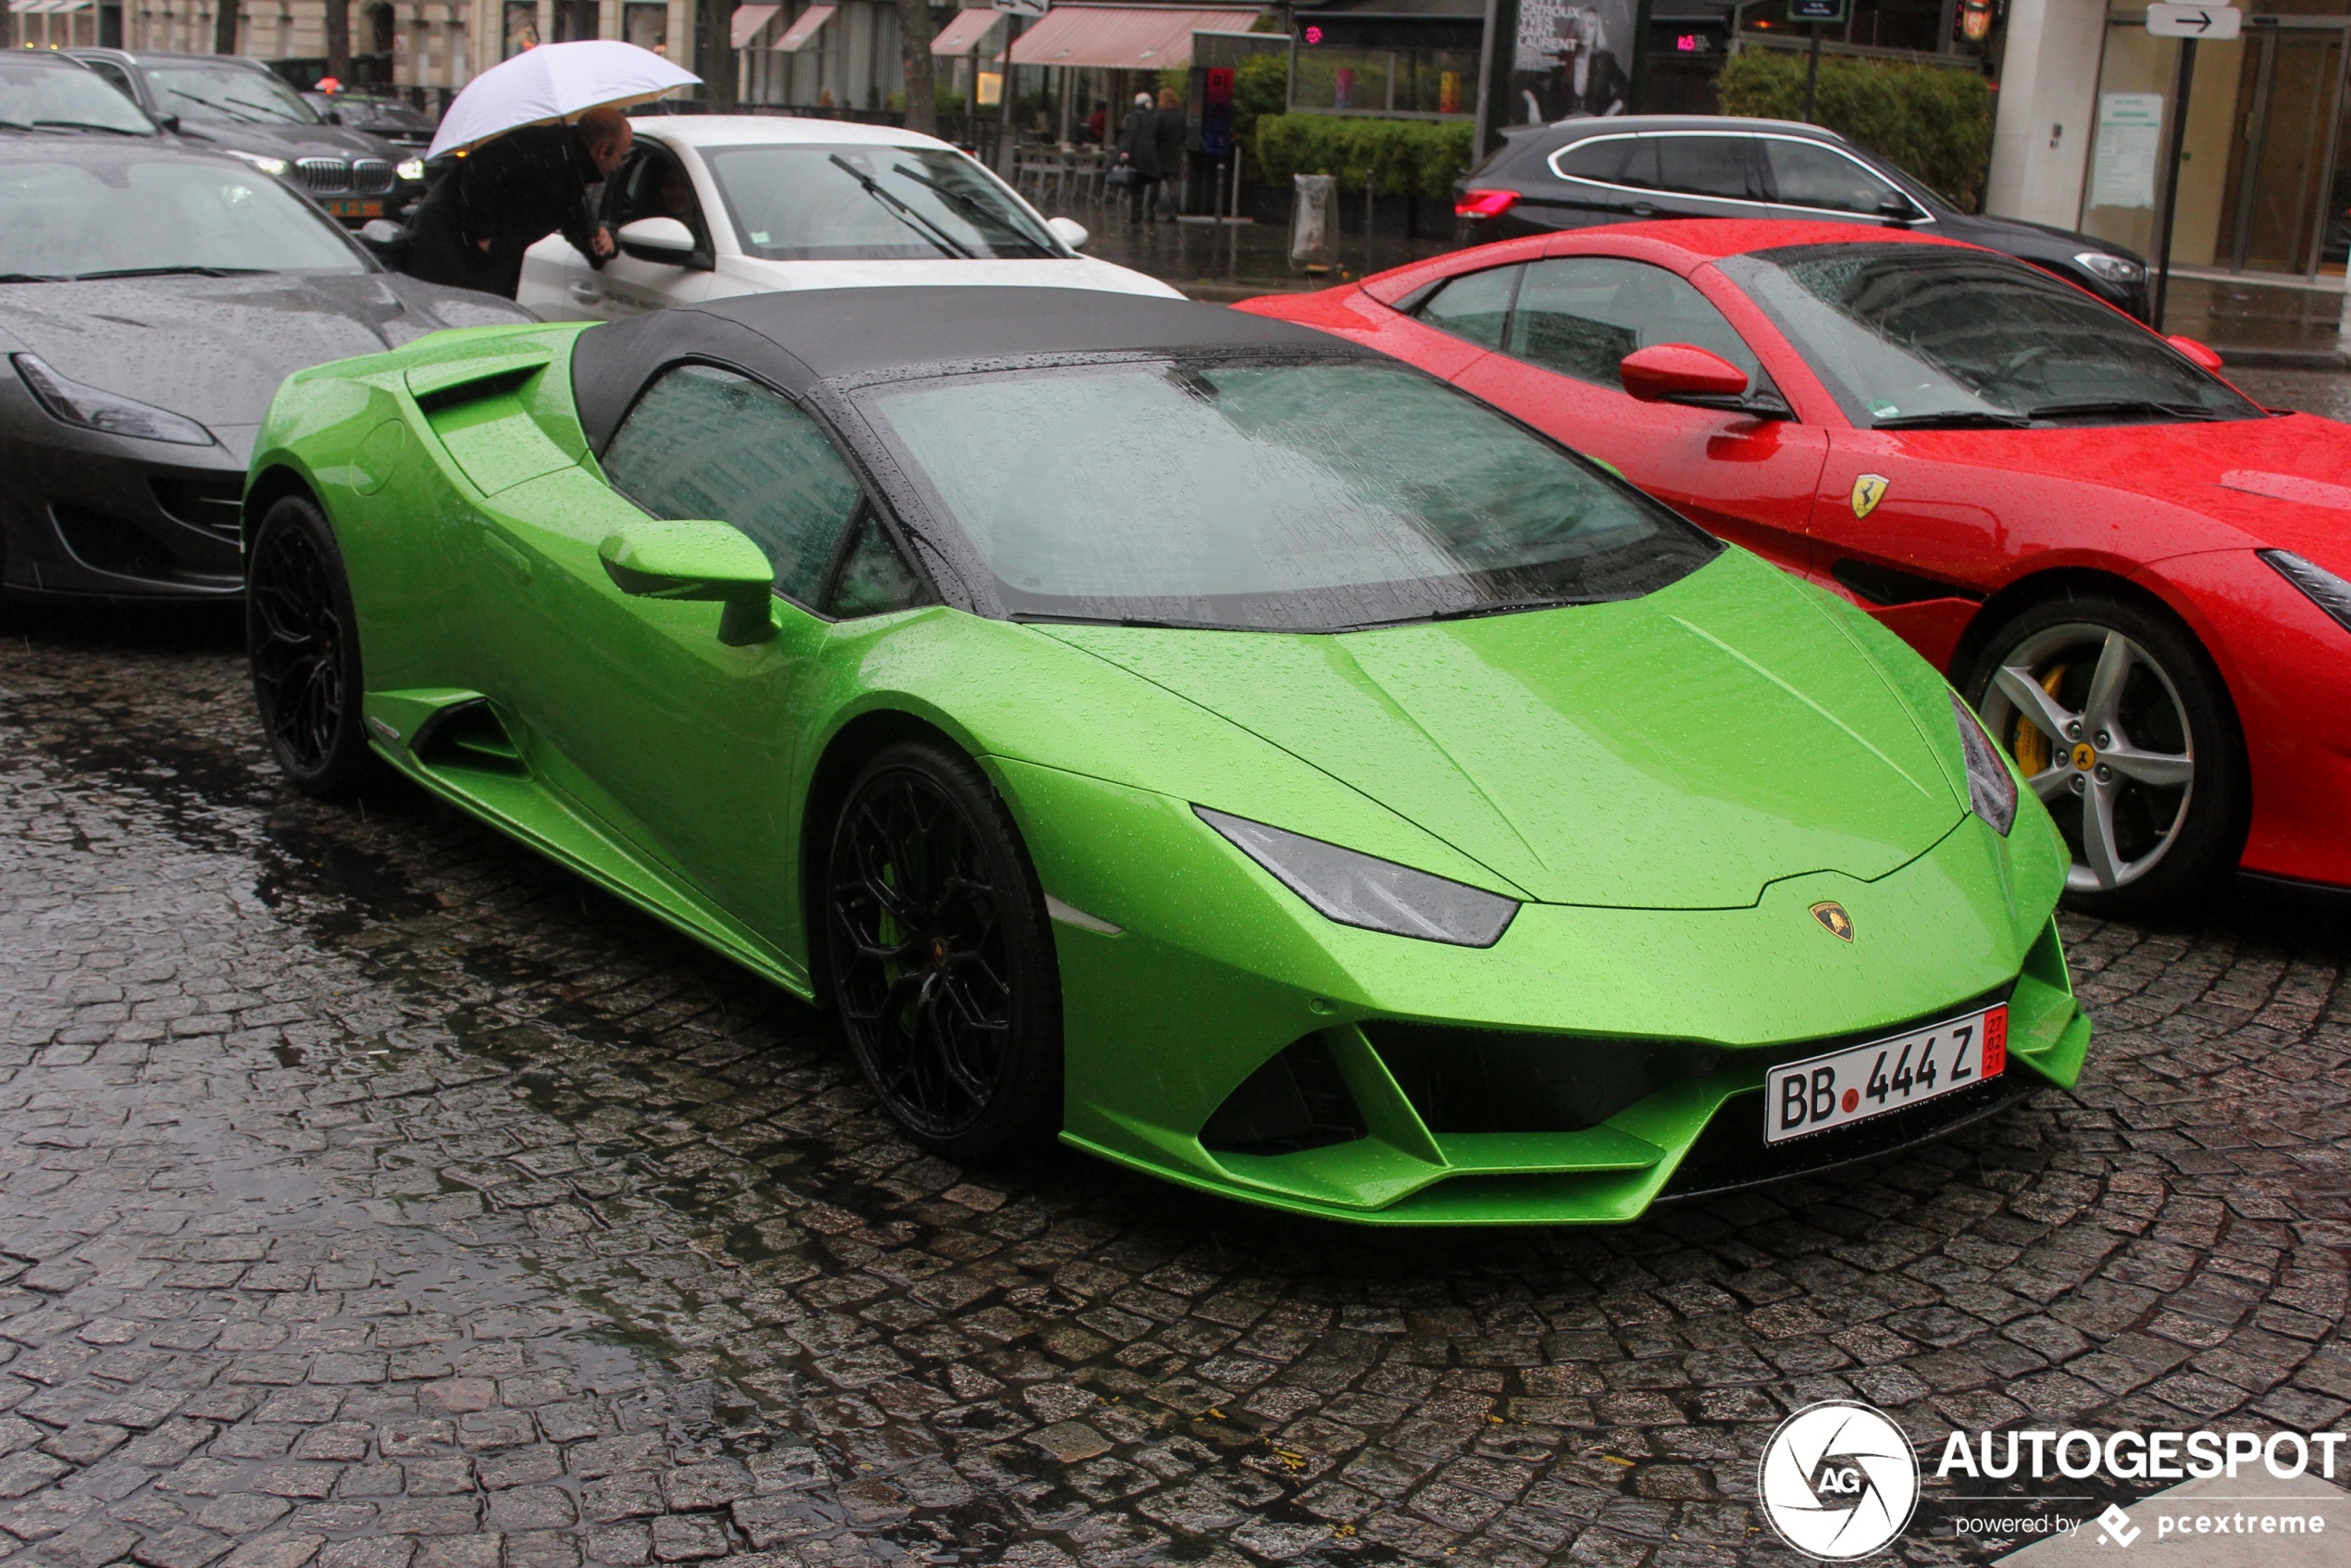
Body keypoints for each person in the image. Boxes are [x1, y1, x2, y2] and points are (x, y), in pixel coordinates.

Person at [403, 106, 632, 299]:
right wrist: (481, 234)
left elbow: (579, 227)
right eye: (622, 156)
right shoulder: (544, 145)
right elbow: (480, 166)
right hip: (446, 245)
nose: (621, 165)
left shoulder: (573, 174)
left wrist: (603, 245)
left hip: (486, 265)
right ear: (604, 150)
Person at [1113, 92, 1164, 224]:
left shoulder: (1134, 115)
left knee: (1134, 185)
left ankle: (1135, 214)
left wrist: (1125, 150)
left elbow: (1131, 133)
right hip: (1149, 155)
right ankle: (1141, 211)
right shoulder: (1153, 117)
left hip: (1136, 154)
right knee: (1140, 183)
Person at [1151, 86, 1187, 220]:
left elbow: (1155, 134)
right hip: (1174, 153)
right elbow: (1184, 135)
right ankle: (1173, 212)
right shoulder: (1180, 115)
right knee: (1172, 184)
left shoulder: (1158, 114)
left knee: (1155, 183)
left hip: (1159, 153)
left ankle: (1150, 211)